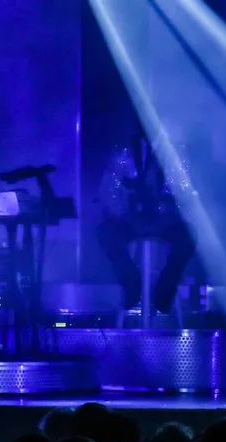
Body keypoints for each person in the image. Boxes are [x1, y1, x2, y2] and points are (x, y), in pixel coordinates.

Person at [97, 126, 196, 313]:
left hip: (165, 218)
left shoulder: (175, 151)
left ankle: (165, 291)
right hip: (129, 219)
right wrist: (127, 216)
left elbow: (185, 194)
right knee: (106, 233)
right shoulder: (124, 150)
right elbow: (107, 190)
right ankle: (132, 284)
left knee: (187, 237)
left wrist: (166, 215)